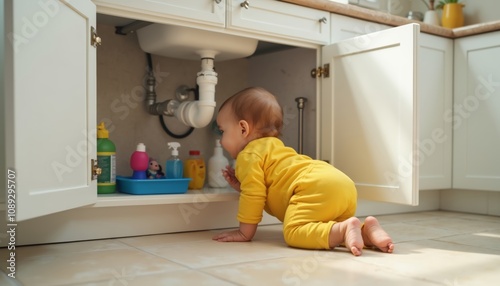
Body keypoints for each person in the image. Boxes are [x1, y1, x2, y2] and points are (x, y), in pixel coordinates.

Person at [212, 87, 394, 256]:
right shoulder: (274, 147)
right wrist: (242, 185)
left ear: (243, 128)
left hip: (312, 186)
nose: (221, 139)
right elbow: (263, 187)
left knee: (294, 232)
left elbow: (254, 194)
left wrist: (244, 233)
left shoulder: (248, 155)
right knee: (321, 226)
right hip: (340, 182)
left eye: (223, 131)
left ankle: (344, 229)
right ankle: (367, 231)